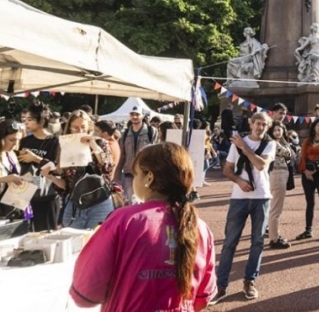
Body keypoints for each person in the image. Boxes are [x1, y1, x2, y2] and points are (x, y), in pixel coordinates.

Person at [70, 142, 217, 311]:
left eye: (135, 174)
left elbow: (86, 292)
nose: (133, 180)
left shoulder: (124, 220)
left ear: (149, 177)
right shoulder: (200, 227)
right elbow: (202, 298)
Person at [213, 112, 275, 304]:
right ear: (251, 123)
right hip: (239, 197)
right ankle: (221, 286)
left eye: (264, 124)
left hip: (261, 197)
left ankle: (249, 282)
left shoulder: (270, 144)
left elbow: (261, 164)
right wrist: (239, 181)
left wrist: (244, 147)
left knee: (257, 242)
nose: (260, 127)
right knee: (229, 243)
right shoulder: (237, 142)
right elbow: (227, 169)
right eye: (257, 123)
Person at [46, 110, 115, 229]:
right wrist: (50, 176)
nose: (80, 131)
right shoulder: (65, 147)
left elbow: (107, 167)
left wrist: (93, 145)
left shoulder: (99, 142)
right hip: (75, 203)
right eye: (75, 128)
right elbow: (67, 185)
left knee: (97, 242)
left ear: (89, 127)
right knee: (73, 243)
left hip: (99, 201)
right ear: (69, 128)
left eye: (83, 127)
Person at [15, 101, 61, 231]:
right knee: (22, 232)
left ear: (41, 121)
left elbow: (57, 169)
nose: (26, 122)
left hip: (46, 193)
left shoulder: (54, 141)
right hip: (24, 191)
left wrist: (35, 158)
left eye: (30, 119)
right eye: (25, 119)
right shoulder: (25, 141)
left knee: (45, 232)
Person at [296, 118, 319, 241]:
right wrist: (305, 171)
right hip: (307, 174)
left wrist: (313, 171)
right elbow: (303, 157)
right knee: (310, 203)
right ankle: (308, 230)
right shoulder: (307, 141)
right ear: (314, 127)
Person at [117, 106, 158, 204]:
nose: (134, 117)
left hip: (145, 172)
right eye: (132, 114)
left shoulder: (151, 131)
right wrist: (117, 175)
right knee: (131, 200)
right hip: (129, 172)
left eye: (137, 114)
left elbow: (155, 153)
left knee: (144, 198)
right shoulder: (125, 133)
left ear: (142, 116)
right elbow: (122, 155)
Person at [266, 121, 294, 249]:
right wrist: (284, 140)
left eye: (280, 129)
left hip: (281, 174)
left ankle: (274, 235)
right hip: (277, 175)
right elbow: (289, 154)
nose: (278, 132)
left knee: (274, 208)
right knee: (276, 209)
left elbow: (292, 154)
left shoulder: (281, 142)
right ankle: (274, 238)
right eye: (275, 130)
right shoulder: (273, 143)